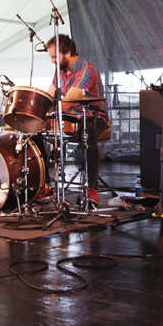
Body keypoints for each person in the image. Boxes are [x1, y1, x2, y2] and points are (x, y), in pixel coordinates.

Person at [45, 34, 109, 208]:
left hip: (93, 116)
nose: (51, 61)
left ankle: (91, 190)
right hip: (72, 116)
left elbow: (66, 103)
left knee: (87, 135)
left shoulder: (87, 69)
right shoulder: (59, 71)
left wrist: (49, 109)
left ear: (66, 53)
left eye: (53, 56)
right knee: (35, 132)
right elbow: (49, 95)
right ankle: (44, 187)